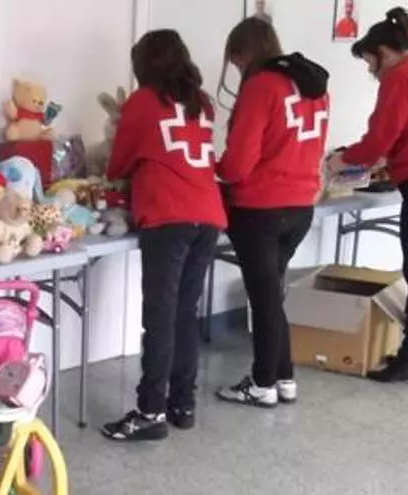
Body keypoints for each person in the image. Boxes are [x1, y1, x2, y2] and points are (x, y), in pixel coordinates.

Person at [100, 30, 225, 442]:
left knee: (159, 318)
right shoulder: (201, 102)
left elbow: (117, 164)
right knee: (185, 314)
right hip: (207, 216)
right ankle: (182, 405)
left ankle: (150, 412)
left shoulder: (143, 102)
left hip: (168, 219)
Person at [213, 17, 330, 407]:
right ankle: (284, 377)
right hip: (301, 207)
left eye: (236, 61)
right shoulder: (313, 85)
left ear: (244, 53)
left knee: (263, 300)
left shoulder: (261, 86)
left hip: (260, 209)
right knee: (271, 297)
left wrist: (212, 168)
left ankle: (262, 383)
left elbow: (238, 164)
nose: (236, 69)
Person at [327, 7, 408, 383]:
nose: (371, 71)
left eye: (369, 62)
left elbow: (379, 139)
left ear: (384, 53)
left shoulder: (400, 77)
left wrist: (342, 160)